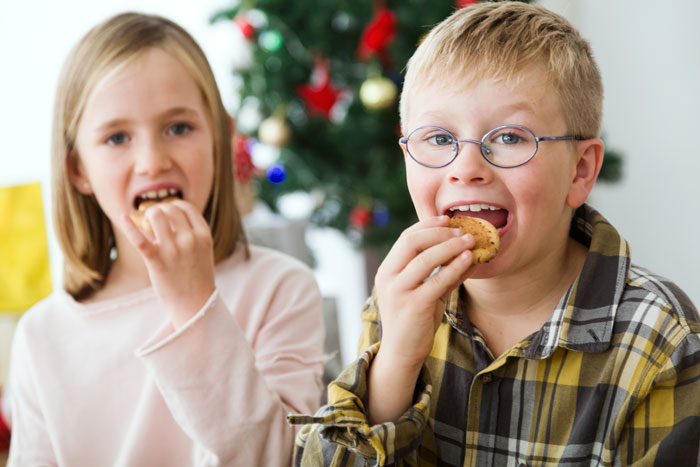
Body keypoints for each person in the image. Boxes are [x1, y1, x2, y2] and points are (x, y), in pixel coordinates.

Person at [289, 2, 700, 466]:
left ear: (580, 171)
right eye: (440, 139)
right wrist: (396, 362)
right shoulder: (399, 305)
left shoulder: (661, 340)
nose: (466, 169)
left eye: (509, 137)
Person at [6, 12, 325, 466]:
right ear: (78, 169)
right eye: (117, 137)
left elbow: (282, 458)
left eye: (178, 128)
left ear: (218, 140)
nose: (152, 161)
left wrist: (195, 306)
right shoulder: (42, 336)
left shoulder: (281, 289)